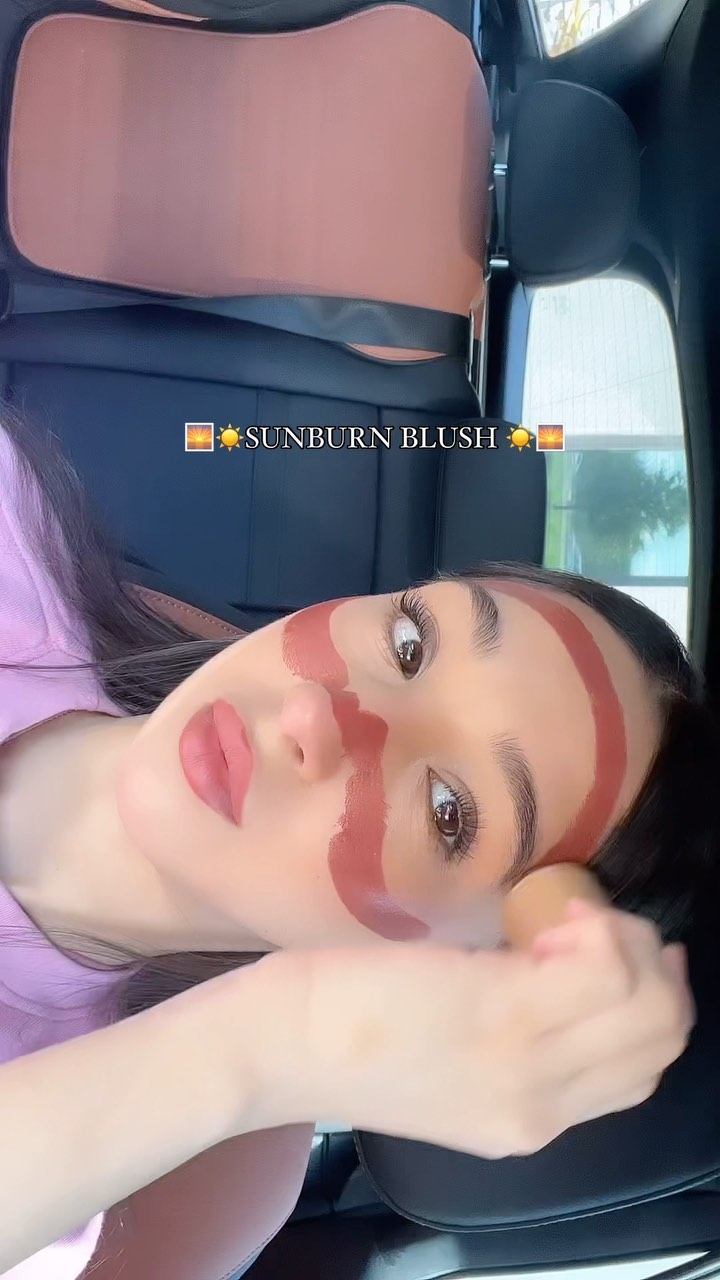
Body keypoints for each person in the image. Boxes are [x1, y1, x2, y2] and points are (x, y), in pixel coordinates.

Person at [0, 407, 708, 1277]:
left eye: (448, 813)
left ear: (450, 973)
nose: (312, 717)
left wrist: (262, 1051)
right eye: (410, 645)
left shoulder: (148, 1170)